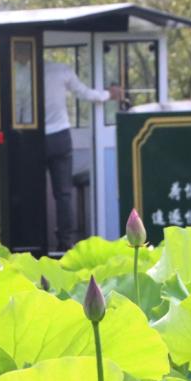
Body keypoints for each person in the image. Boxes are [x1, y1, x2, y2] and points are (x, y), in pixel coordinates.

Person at [43, 61, 122, 250]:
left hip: (34, 137)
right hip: (61, 136)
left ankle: (36, 240)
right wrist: (108, 94)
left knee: (32, 193)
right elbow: (84, 93)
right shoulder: (61, 69)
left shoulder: (25, 73)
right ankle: (65, 242)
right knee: (63, 194)